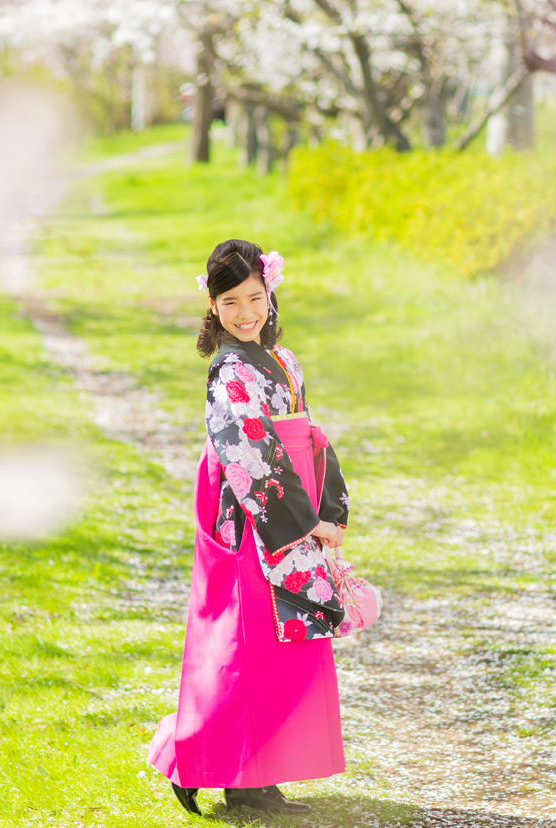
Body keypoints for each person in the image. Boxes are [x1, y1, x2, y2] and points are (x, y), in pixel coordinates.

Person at [147, 239, 351, 816]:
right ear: (212, 306)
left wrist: (330, 509)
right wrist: (298, 522)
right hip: (251, 512)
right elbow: (248, 452)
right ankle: (219, 770)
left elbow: (309, 435)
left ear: (271, 295)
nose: (244, 313)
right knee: (242, 646)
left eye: (254, 298)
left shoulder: (285, 362)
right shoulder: (230, 371)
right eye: (230, 301)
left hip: (290, 501)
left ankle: (256, 773)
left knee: (278, 649)